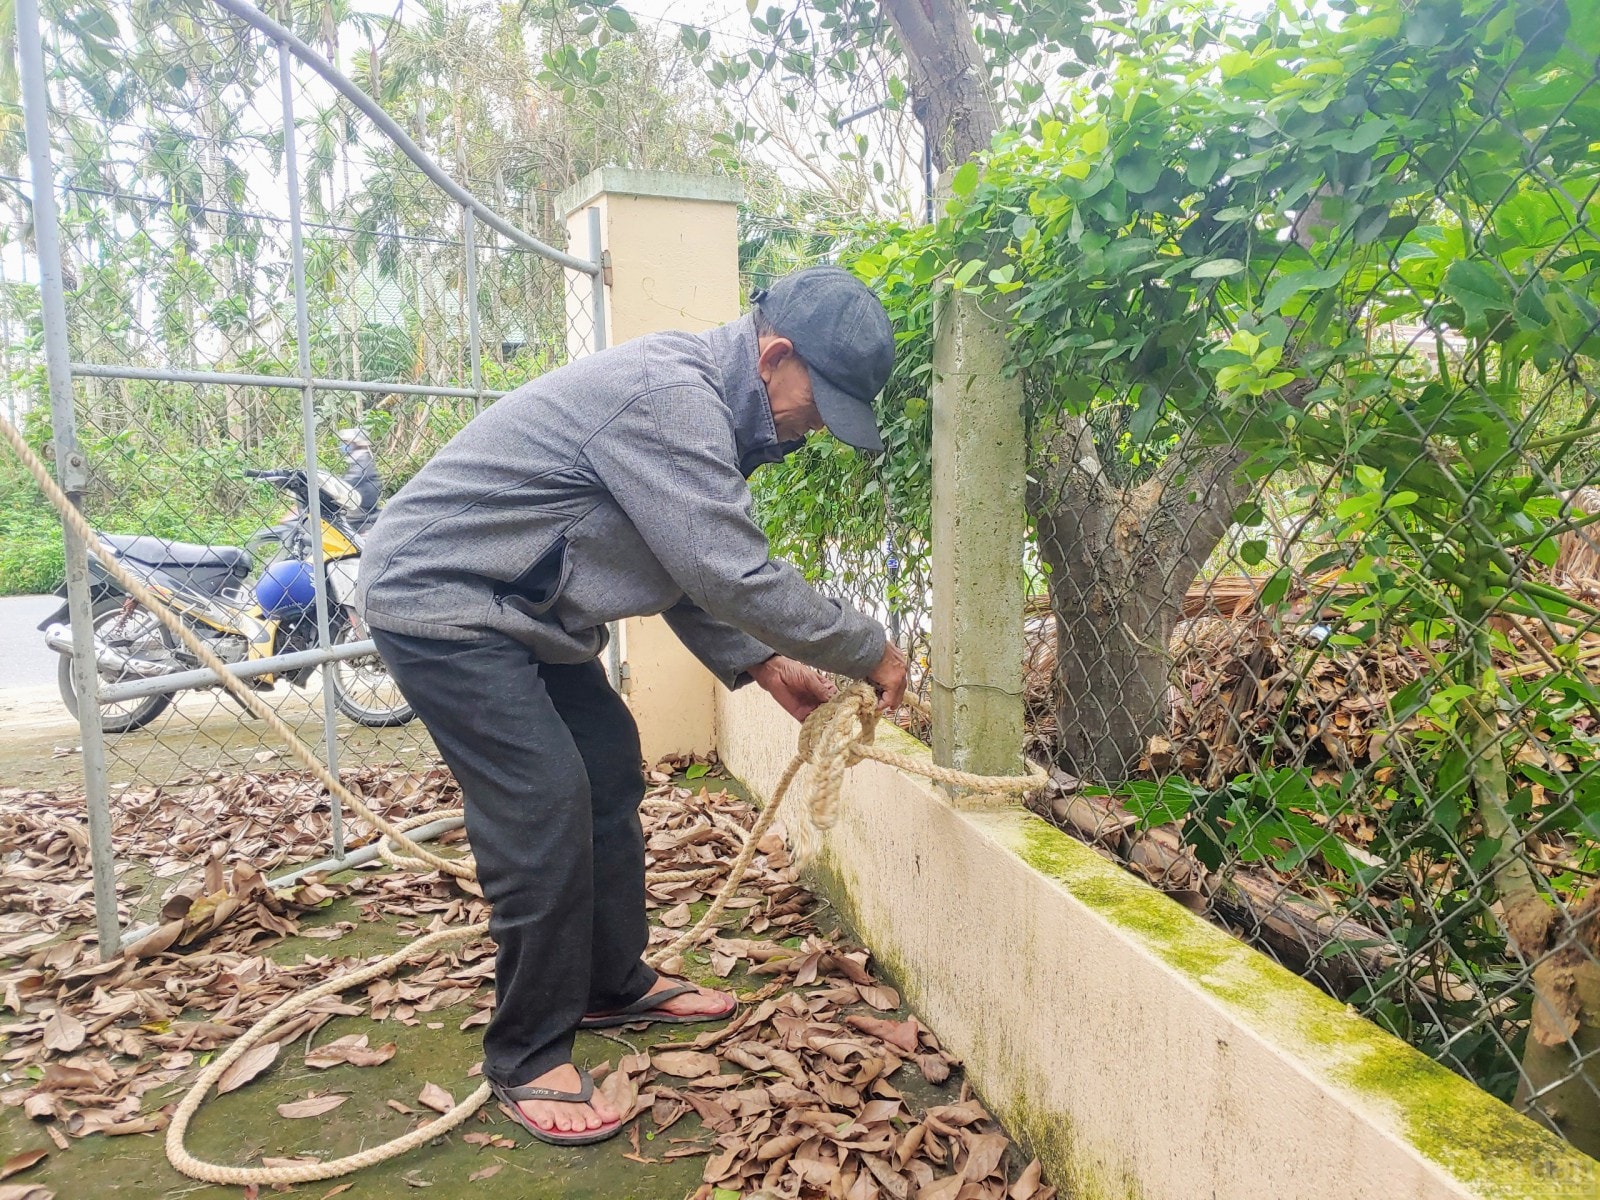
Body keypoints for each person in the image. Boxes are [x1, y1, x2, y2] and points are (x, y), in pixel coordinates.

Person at [354, 265, 909, 1146]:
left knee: (607, 765)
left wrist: (760, 661)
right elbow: (726, 566)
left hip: (521, 611)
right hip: (444, 601)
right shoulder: (671, 397)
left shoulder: (708, 407)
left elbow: (678, 561)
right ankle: (527, 1052)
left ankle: (610, 982)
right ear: (774, 356)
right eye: (820, 402)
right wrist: (866, 647)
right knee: (543, 800)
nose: (816, 429)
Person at [335, 427, 382, 524]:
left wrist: (334, 485)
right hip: (359, 503)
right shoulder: (358, 459)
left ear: (356, 443)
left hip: (361, 507)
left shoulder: (363, 459)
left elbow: (352, 479)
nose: (344, 445)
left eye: (347, 442)